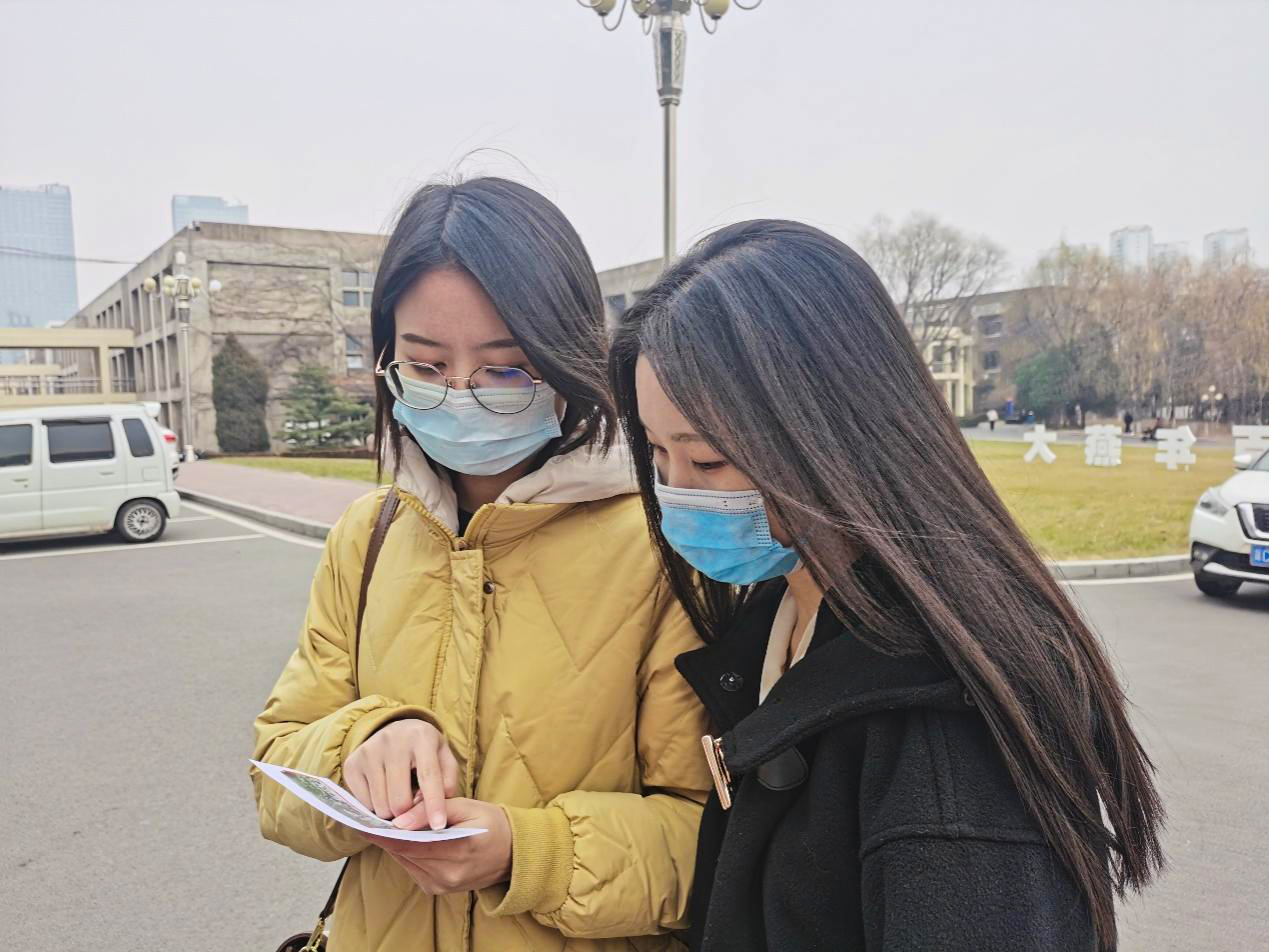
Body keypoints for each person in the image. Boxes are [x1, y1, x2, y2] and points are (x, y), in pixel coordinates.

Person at [608, 220, 1165, 952]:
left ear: (831, 432)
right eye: (656, 454)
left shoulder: (950, 743)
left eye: (707, 460)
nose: (677, 491)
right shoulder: (786, 605)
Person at [252, 178, 710, 952]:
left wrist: (530, 853)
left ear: (568, 360)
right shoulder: (367, 537)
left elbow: (707, 837)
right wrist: (362, 742)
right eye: (425, 366)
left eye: (504, 369)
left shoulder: (663, 548)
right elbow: (275, 772)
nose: (460, 395)